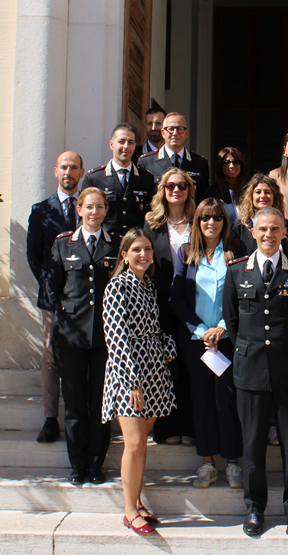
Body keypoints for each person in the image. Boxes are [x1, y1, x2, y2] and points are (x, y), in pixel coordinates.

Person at [223, 207, 288, 538]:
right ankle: (255, 508)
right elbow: (232, 324)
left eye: (275, 229)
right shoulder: (237, 271)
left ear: (284, 234)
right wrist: (251, 352)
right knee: (252, 447)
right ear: (252, 231)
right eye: (262, 229)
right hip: (250, 372)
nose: (268, 235)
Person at [102, 228, 177, 535]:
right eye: (136, 250)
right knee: (133, 444)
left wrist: (168, 348)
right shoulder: (116, 287)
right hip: (128, 374)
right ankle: (129, 510)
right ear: (125, 255)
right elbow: (116, 337)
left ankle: (137, 501)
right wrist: (131, 381)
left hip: (155, 370)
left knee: (142, 444)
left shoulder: (148, 286)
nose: (143, 254)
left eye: (147, 249)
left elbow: (154, 328)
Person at [170, 198, 247, 489]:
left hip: (227, 339)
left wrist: (222, 328)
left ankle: (233, 461)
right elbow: (177, 297)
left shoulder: (237, 251)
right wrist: (202, 330)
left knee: (229, 399)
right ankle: (207, 462)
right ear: (197, 222)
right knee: (201, 401)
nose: (211, 223)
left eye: (216, 218)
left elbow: (244, 293)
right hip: (196, 341)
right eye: (204, 218)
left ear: (224, 222)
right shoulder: (185, 253)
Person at [47, 187, 120, 485]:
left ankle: (95, 464)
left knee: (100, 405)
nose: (94, 212)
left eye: (100, 207)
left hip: (105, 337)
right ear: (79, 209)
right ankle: (77, 465)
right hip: (71, 337)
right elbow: (52, 287)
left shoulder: (115, 245)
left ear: (106, 210)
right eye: (89, 207)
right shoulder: (64, 244)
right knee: (75, 405)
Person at [26, 150, 84, 443]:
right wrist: (52, 288)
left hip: (86, 299)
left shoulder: (90, 208)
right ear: (55, 171)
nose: (68, 172)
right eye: (64, 167)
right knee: (51, 356)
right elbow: (33, 257)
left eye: (74, 167)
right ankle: (51, 418)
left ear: (81, 173)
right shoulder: (40, 211)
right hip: (53, 300)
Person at [144, 168, 197, 446]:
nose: (176, 190)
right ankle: (166, 428)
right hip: (160, 306)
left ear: (189, 190)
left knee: (189, 366)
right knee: (165, 366)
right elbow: (146, 263)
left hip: (193, 306)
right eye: (170, 185)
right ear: (163, 190)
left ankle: (188, 427)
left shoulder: (199, 221)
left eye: (182, 185)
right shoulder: (151, 224)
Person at [80, 123, 155, 234]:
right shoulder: (94, 178)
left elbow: (152, 215)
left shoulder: (146, 178)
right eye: (121, 141)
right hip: (106, 246)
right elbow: (85, 216)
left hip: (135, 245)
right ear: (111, 144)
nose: (126, 147)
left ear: (135, 146)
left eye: (130, 142)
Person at [138, 112, 210, 196]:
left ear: (186, 133)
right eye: (170, 128)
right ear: (163, 133)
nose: (175, 133)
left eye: (180, 129)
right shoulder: (146, 162)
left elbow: (204, 200)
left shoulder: (200, 163)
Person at [232, 172, 288, 258]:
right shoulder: (239, 226)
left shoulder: (286, 224)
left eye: (267, 192)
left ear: (274, 196)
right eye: (258, 192)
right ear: (251, 196)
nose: (263, 196)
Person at [206, 147, 251, 225]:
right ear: (220, 167)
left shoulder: (249, 190)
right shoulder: (213, 192)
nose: (231, 166)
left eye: (236, 162)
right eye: (226, 162)